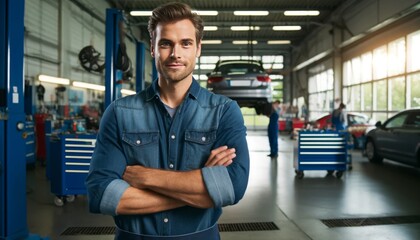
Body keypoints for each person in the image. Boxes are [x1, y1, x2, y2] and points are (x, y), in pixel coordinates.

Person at [85, 2, 250, 239]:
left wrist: (146, 177)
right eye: (166, 44)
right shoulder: (120, 113)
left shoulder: (224, 111)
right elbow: (101, 194)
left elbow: (232, 187)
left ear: (198, 49)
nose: (175, 54)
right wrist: (203, 190)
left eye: (186, 43)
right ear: (152, 48)